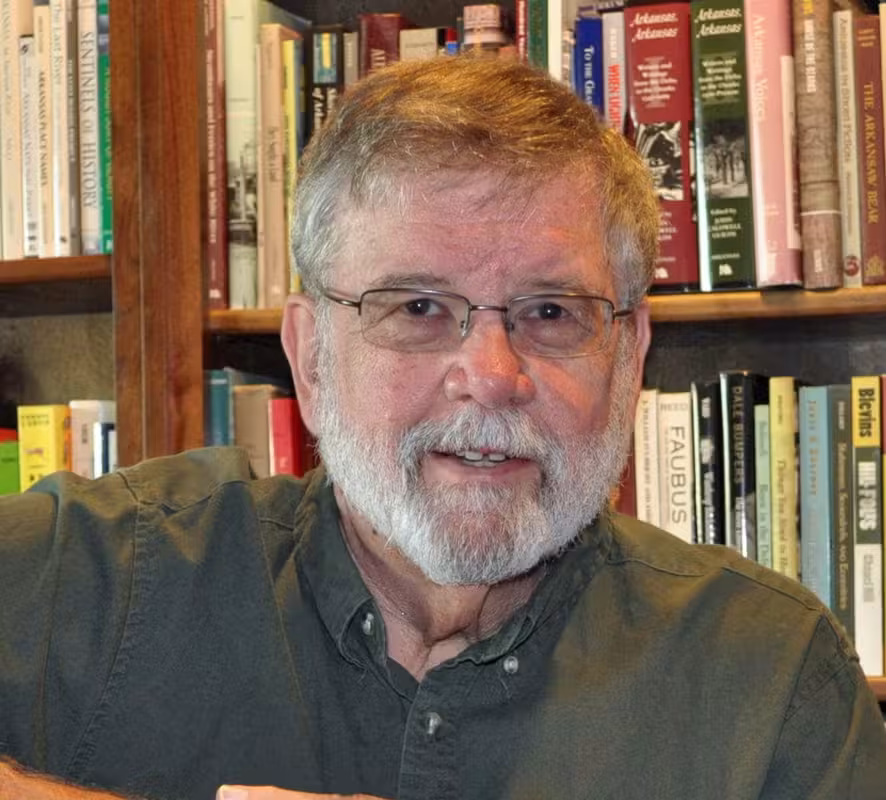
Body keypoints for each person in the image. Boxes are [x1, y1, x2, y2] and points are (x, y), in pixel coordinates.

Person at [1, 55, 885, 800]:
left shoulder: (771, 678)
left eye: (550, 310)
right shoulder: (86, 579)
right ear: (310, 360)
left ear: (629, 354)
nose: (493, 376)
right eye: (418, 306)